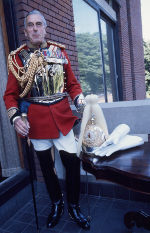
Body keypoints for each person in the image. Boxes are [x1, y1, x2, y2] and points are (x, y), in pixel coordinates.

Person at [3, 10, 90, 230]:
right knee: (46, 167)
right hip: (37, 122)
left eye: (38, 24)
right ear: (25, 31)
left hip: (62, 118)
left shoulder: (59, 52)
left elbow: (72, 85)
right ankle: (57, 204)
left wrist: (80, 101)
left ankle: (74, 206)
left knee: (72, 164)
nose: (35, 29)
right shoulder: (17, 58)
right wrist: (15, 119)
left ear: (45, 27)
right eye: (30, 25)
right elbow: (10, 96)